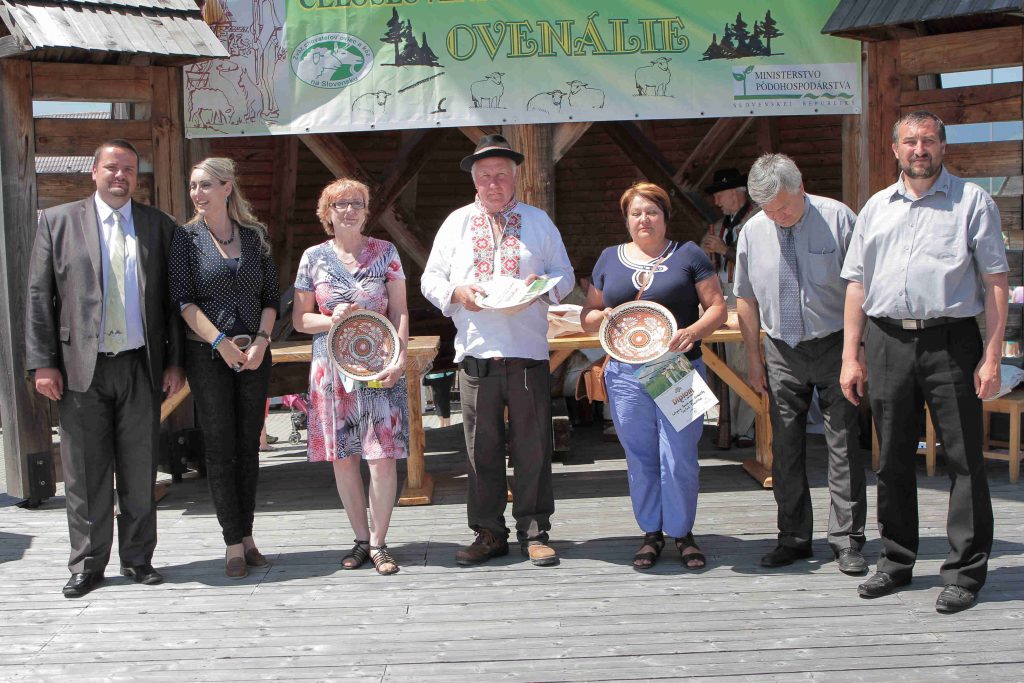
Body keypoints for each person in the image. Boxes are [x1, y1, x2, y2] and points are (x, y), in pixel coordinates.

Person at [840, 111, 1009, 613]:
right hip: (887, 340)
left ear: (943, 147)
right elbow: (857, 285)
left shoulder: (972, 202)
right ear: (895, 149)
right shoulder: (875, 208)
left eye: (929, 141)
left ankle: (965, 573)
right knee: (891, 456)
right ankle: (895, 561)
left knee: (964, 459)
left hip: (950, 342)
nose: (920, 150)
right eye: (910, 141)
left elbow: (995, 282)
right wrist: (851, 355)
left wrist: (993, 354)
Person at [26, 139, 185, 597]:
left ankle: (138, 559)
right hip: (80, 369)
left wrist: (174, 361)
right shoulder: (57, 222)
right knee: (84, 471)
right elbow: (38, 296)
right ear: (93, 172)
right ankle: (88, 564)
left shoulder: (158, 225)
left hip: (140, 365)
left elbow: (173, 301)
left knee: (139, 468)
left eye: (129, 169)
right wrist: (42, 364)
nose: (121, 176)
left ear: (137, 176)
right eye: (112, 167)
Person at [421, 134, 574, 567]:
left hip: (527, 352)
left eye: (501, 175)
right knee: (480, 450)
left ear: (515, 178)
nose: (493, 183)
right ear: (474, 180)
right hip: (476, 354)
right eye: (486, 175)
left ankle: (535, 532)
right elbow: (430, 279)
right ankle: (488, 533)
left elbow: (564, 274)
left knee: (533, 447)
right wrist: (457, 292)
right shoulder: (456, 223)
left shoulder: (538, 222)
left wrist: (540, 287)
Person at [732, 153, 867, 575]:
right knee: (785, 447)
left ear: (801, 186)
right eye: (768, 210)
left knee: (843, 443)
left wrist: (855, 351)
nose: (777, 217)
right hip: (781, 349)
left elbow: (861, 287)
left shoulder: (839, 218)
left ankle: (847, 540)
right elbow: (745, 297)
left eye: (784, 208)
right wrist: (754, 359)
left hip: (835, 344)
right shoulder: (752, 231)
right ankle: (792, 537)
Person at [581, 182, 727, 570]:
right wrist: (602, 317)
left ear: (665, 216)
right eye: (636, 213)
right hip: (625, 372)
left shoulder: (688, 254)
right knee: (641, 456)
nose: (644, 219)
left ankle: (682, 532)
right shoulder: (609, 258)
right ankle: (651, 533)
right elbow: (588, 314)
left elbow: (717, 307)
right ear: (626, 219)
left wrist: (693, 331)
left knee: (680, 457)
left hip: (676, 367)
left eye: (651, 212)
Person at [168, 157, 279, 579]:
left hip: (255, 354)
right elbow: (183, 301)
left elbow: (271, 297)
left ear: (227, 187)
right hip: (208, 355)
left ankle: (248, 537)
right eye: (193, 186)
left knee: (248, 447)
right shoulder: (185, 239)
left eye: (206, 185)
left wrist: (261, 342)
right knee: (219, 449)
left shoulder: (255, 236)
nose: (197, 194)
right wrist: (220, 342)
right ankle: (232, 542)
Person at [293, 178, 409, 576]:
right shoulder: (312, 257)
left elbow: (400, 311)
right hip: (331, 369)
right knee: (343, 457)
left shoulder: (386, 252)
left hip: (379, 365)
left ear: (366, 210)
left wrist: (399, 357)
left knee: (382, 457)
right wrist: (330, 319)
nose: (349, 210)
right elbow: (300, 320)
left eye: (356, 203)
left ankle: (379, 543)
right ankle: (361, 539)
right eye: (340, 204)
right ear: (327, 213)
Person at [700, 168, 759, 448]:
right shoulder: (717, 227)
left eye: (719, 195)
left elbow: (758, 261)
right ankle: (729, 423)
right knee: (722, 364)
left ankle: (747, 426)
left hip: (747, 298)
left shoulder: (759, 220)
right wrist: (706, 253)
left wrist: (724, 251)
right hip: (719, 299)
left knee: (745, 362)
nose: (716, 201)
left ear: (736, 193)